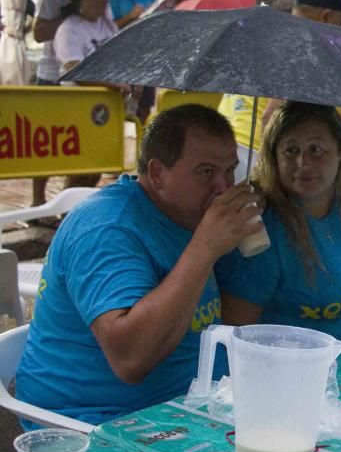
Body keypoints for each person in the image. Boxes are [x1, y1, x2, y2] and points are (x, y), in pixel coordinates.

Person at [15, 105, 261, 425]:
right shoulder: (106, 227)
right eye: (205, 172)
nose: (224, 188)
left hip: (188, 408)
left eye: (230, 170)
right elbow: (131, 360)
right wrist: (206, 247)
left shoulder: (188, 214)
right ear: (157, 174)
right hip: (93, 423)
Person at [218, 102, 341, 338]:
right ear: (274, 157)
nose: (303, 163)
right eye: (291, 151)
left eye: (316, 149)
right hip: (307, 367)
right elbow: (236, 331)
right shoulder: (261, 229)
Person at [218, 0, 341, 180]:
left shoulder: (275, 37)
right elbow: (272, 115)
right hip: (254, 152)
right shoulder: (304, 48)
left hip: (233, 141)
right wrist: (273, 174)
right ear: (327, 16)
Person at [31, 0, 103, 208]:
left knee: (81, 145)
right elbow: (38, 33)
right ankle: (38, 200)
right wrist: (70, 14)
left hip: (84, 79)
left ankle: (68, 201)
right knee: (47, 145)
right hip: (53, 72)